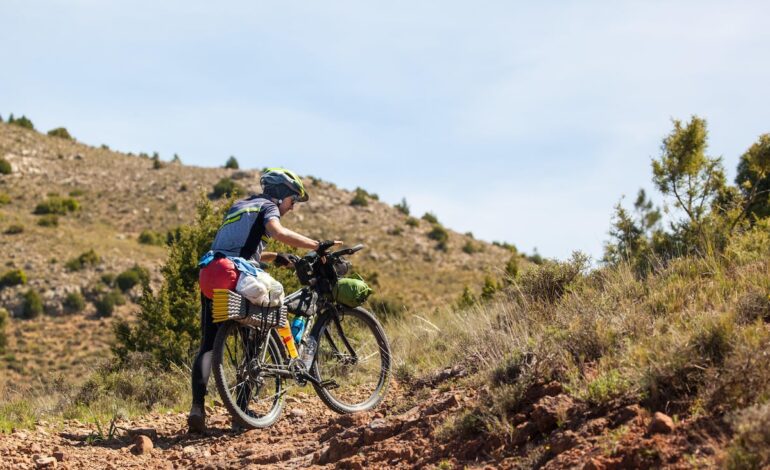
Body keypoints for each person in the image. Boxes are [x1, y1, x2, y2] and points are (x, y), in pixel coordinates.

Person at [188, 167, 338, 433]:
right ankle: (242, 412)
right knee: (258, 334)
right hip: (234, 272)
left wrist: (274, 257)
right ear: (281, 195)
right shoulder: (269, 207)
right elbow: (277, 231)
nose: (292, 207)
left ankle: (197, 409)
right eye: (292, 201)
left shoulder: (240, 206)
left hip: (211, 272)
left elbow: (237, 249)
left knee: (208, 345)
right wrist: (317, 245)